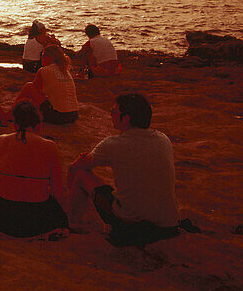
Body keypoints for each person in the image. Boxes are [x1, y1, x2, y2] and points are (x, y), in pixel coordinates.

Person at [68, 92, 181, 246]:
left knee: (81, 175)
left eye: (113, 112)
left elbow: (82, 166)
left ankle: (73, 223)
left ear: (126, 118)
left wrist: (73, 167)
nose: (111, 115)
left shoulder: (113, 144)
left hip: (131, 222)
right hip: (169, 224)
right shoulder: (163, 139)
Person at [0, 101, 69, 238]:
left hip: (4, 219)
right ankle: (44, 233)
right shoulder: (50, 146)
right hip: (35, 218)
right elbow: (57, 192)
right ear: (38, 126)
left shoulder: (0, 140)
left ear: (15, 124)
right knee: (60, 217)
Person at [16, 44, 79, 124]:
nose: (41, 58)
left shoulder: (44, 70)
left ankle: (9, 115)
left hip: (59, 116)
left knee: (29, 86)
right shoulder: (64, 70)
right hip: (73, 115)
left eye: (42, 56)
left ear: (50, 58)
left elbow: (34, 92)